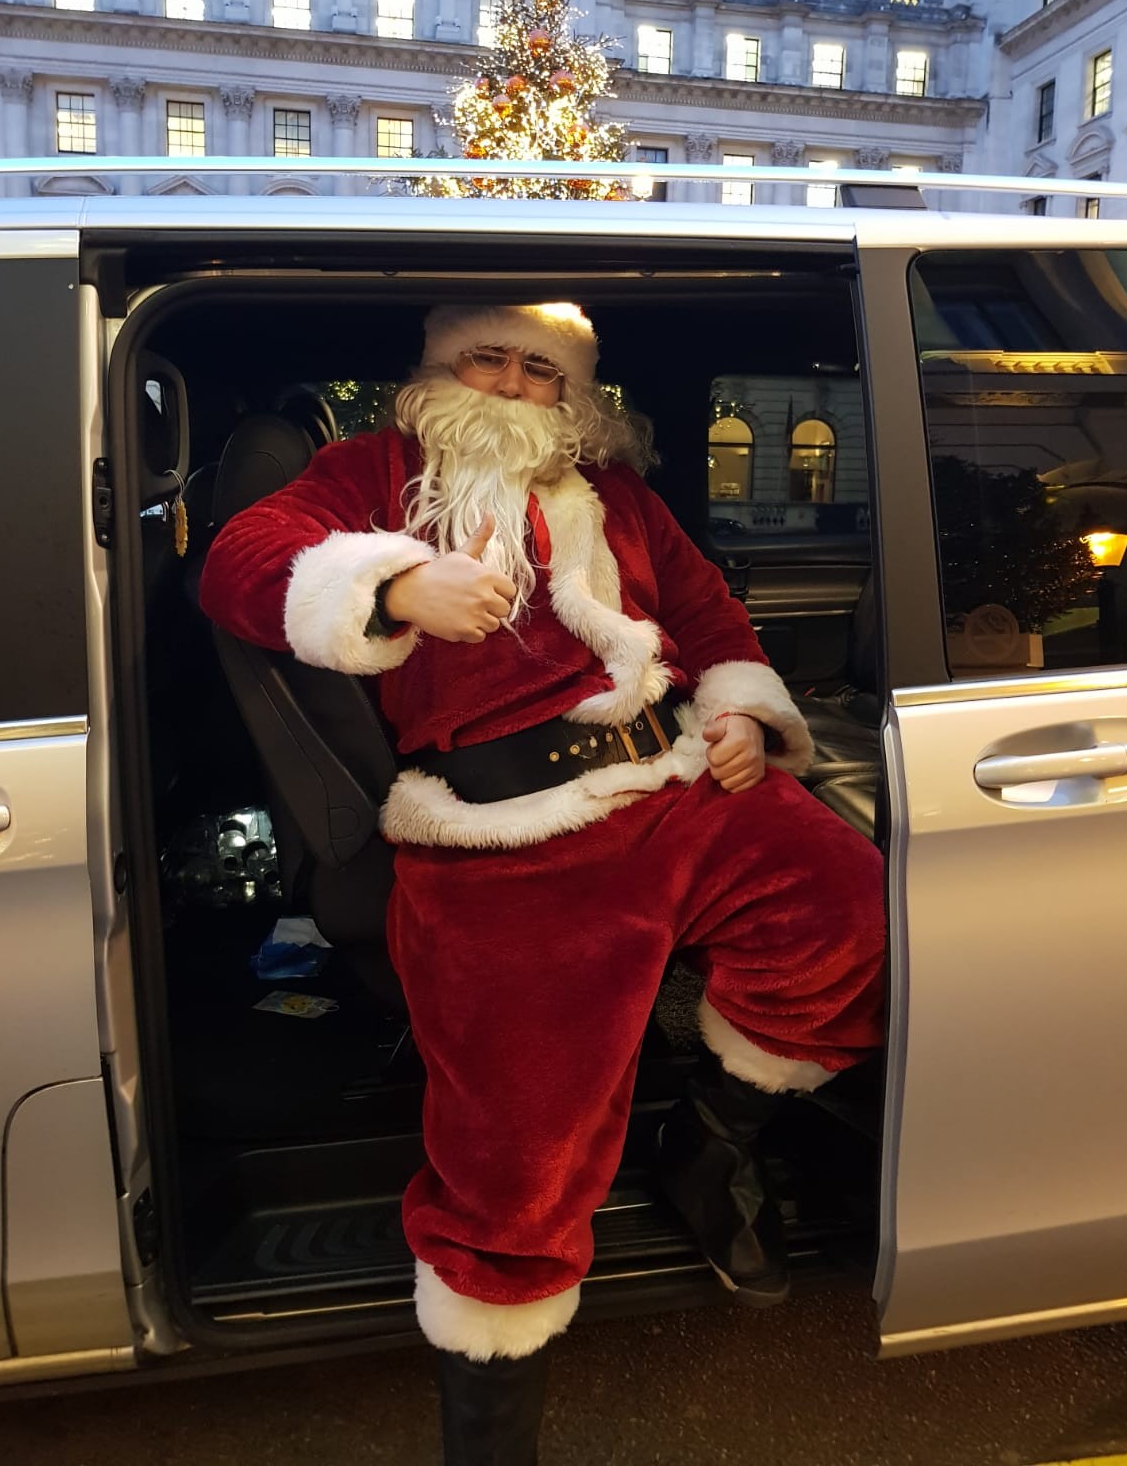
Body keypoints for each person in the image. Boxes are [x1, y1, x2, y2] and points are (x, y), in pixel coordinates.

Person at [199, 303, 884, 1463]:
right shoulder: (373, 473)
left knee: (846, 908)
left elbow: (712, 615)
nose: (514, 386)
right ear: (439, 368)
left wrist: (735, 720)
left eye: (540, 369)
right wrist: (394, 586)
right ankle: (493, 1427)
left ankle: (710, 1145)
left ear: (572, 395)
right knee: (519, 1162)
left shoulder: (617, 498)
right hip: (500, 841)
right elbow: (239, 562)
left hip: (668, 786)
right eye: (489, 359)